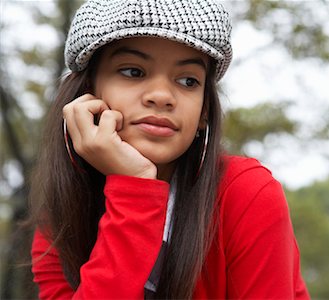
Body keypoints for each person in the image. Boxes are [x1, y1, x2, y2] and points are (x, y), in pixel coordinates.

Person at [28, 0, 310, 299]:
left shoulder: (246, 193)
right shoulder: (61, 221)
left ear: (203, 113)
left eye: (188, 81)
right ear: (87, 96)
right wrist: (134, 191)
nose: (162, 96)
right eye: (133, 72)